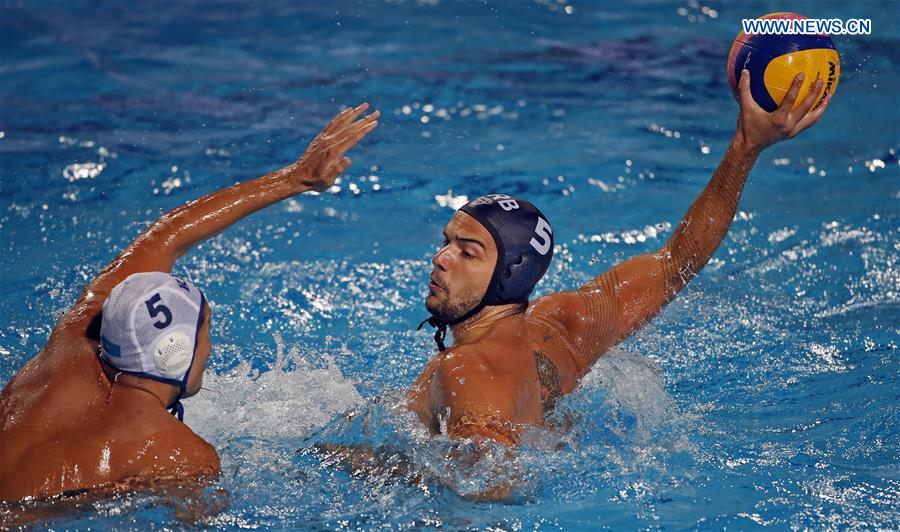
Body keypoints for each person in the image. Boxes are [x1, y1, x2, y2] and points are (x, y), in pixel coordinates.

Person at [408, 70, 830, 446]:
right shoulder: (562, 328)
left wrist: (366, 463)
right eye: (447, 242)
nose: (440, 259)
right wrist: (745, 146)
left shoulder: (466, 371)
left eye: (467, 252)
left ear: (509, 276)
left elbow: (488, 489)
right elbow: (674, 263)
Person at [0, 104, 379, 503]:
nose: (210, 349)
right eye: (205, 334)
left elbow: (165, 236)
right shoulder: (180, 455)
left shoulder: (70, 345)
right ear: (174, 351)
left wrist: (295, 178)